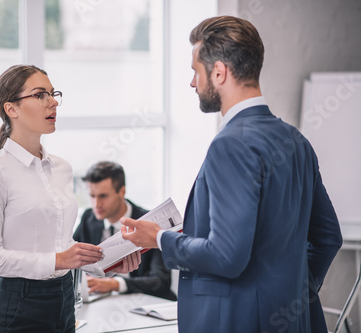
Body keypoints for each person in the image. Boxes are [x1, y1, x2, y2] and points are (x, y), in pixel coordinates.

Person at [120, 16, 343, 333]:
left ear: (219, 72)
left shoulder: (230, 145)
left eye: (196, 72)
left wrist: (157, 238)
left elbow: (227, 256)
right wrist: (292, 293)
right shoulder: (296, 141)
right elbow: (328, 238)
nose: (193, 83)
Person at [0, 65, 140, 333]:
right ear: (11, 109)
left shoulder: (62, 168)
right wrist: (60, 260)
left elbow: (62, 245)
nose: (53, 102)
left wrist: (109, 263)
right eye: (40, 95)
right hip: (18, 306)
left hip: (64, 300)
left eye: (53, 93)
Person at [73, 161, 177, 301]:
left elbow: (160, 281)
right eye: (92, 196)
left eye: (103, 196)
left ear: (121, 192)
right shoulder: (88, 219)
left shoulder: (150, 223)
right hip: (103, 302)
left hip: (146, 302)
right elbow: (72, 259)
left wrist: (114, 284)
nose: (96, 204)